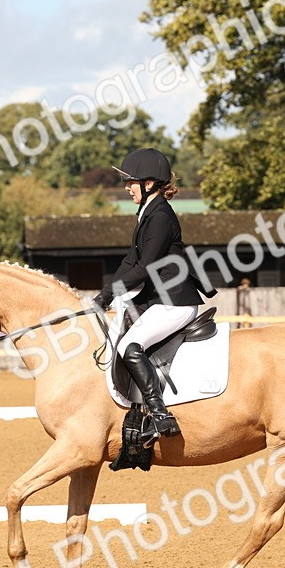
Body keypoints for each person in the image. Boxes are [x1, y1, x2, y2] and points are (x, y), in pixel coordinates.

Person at [93, 148, 213, 437]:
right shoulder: (147, 212)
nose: (126, 187)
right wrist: (105, 293)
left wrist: (110, 292)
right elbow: (130, 261)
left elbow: (146, 266)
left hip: (174, 301)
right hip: (157, 298)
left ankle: (161, 416)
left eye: (131, 182)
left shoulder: (160, 216)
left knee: (130, 346)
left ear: (149, 183)